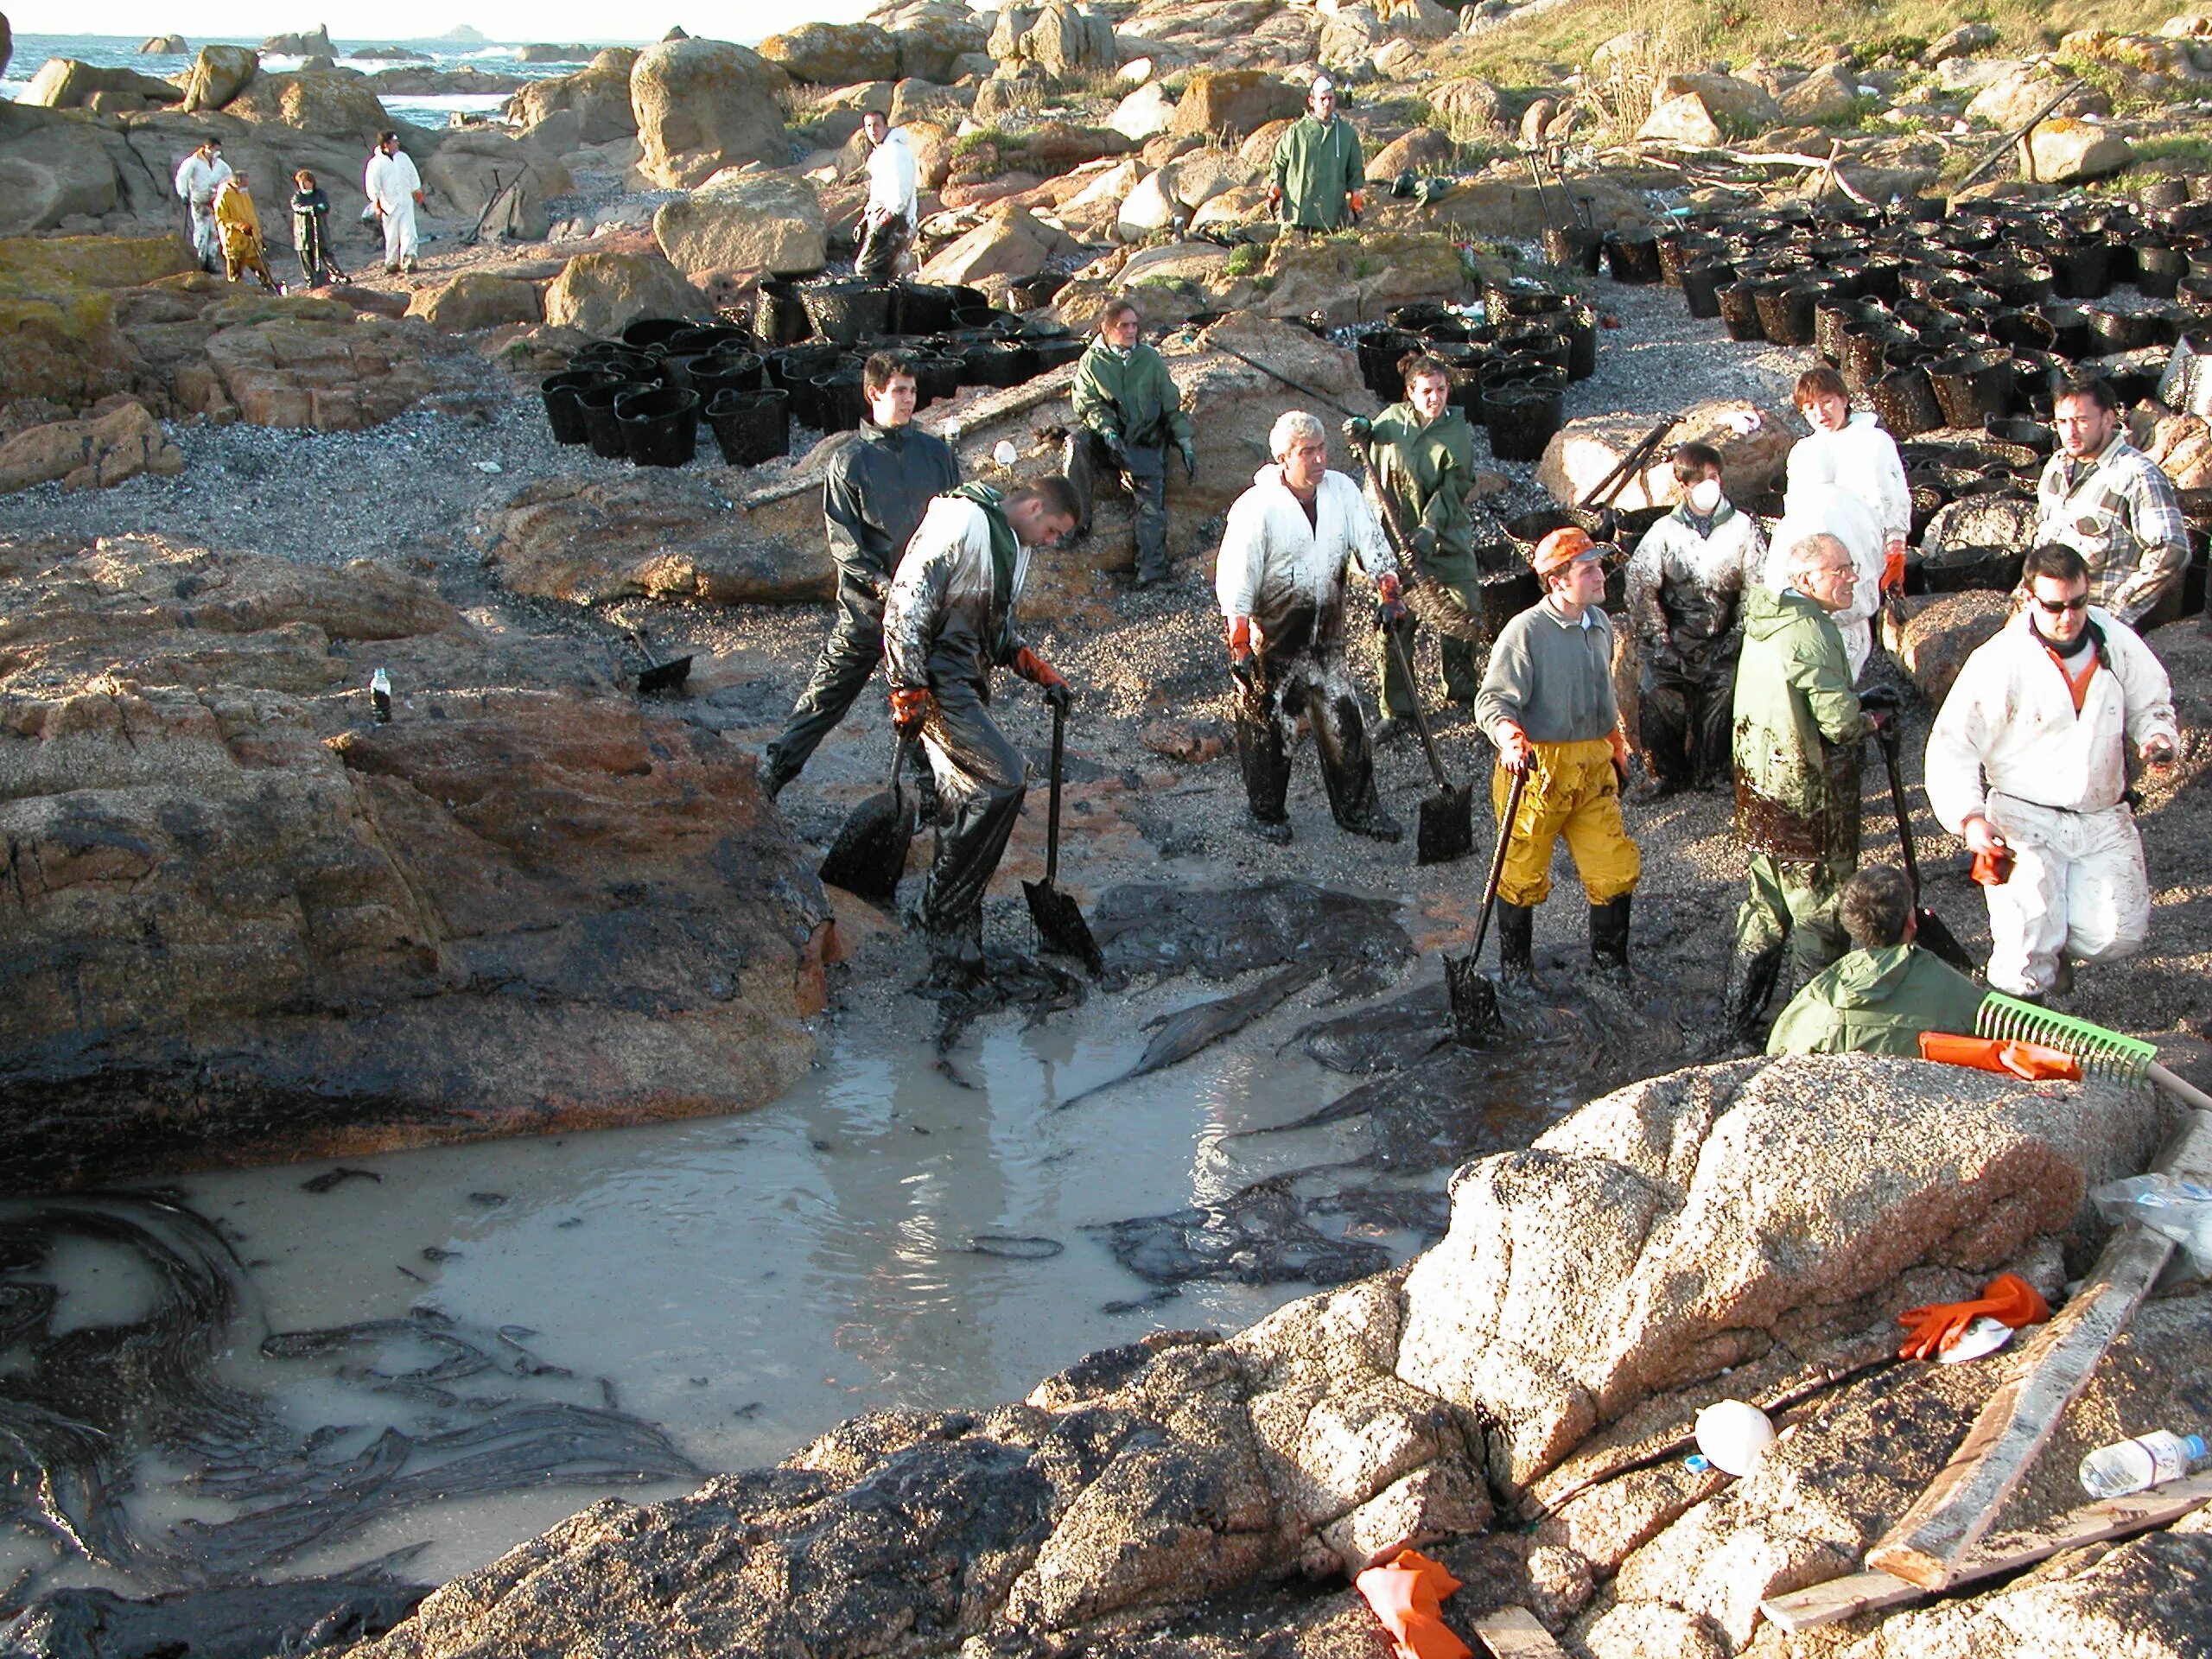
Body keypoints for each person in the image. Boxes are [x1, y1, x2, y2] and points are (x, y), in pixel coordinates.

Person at [1926, 543, 2178, 1000]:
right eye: (2055, 606)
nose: (2068, 616)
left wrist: (2156, 736)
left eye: (2078, 603)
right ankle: (2022, 1025)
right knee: (2025, 941)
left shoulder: (2115, 641)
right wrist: (1969, 816)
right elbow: (1954, 741)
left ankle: (2054, 947)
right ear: (2029, 598)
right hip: (2025, 814)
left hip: (2101, 812)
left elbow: (2151, 701)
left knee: (2118, 933)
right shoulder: (2003, 659)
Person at [883, 476, 1083, 979]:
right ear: (1036, 506)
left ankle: (953, 918)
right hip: (936, 681)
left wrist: (1034, 667)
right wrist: (906, 687)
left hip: (965, 680)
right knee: (1004, 780)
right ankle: (939, 911)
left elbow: (993, 627)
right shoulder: (963, 519)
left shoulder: (1012, 547)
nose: (1053, 542)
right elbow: (906, 603)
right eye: (1054, 530)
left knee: (960, 795)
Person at [762, 353, 961, 798]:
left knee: (926, 699)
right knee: (828, 692)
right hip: (867, 609)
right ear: (874, 394)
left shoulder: (936, 454)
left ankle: (934, 793)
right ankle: (774, 770)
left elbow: (956, 521)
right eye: (899, 391)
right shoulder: (849, 462)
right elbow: (845, 543)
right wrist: (883, 586)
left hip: (924, 609)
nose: (909, 400)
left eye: (912, 390)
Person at [1722, 531, 1887, 1045]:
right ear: (1806, 579)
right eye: (1840, 570)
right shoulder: (1812, 632)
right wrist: (1870, 721)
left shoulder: (1767, 621)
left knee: (1765, 903)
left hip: (1759, 789)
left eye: (1852, 567)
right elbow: (1837, 722)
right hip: (1806, 796)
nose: (1852, 578)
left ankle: (1736, 1014)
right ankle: (1807, 1032)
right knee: (1820, 913)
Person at [1216, 410, 1406, 847]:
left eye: (1322, 449)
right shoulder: (1256, 508)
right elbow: (1236, 578)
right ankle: (1265, 812)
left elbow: (1372, 544)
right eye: (1308, 452)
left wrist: (1388, 593)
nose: (1319, 459)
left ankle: (1357, 810)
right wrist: (1240, 643)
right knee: (1269, 727)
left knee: (1346, 726)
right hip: (1274, 642)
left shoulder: (1342, 492)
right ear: (1283, 457)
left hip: (1327, 641)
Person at [1473, 525, 1640, 978]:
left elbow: (1604, 695)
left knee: (1612, 866)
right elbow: (1492, 700)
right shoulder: (1525, 633)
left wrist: (1615, 744)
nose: (1601, 576)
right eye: (1589, 570)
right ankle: (1516, 971)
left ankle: (1611, 965)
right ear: (1558, 581)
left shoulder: (1599, 623)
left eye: (1599, 566)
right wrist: (1508, 734)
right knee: (1521, 871)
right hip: (1537, 769)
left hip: (1591, 766)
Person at [1344, 353, 1484, 738]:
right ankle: (1398, 708)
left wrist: (1428, 530)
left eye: (1440, 390)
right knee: (1395, 624)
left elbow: (1455, 488)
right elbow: (1365, 451)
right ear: (1410, 393)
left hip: (1447, 540)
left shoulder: (1457, 432)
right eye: (1426, 391)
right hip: (1396, 544)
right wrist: (1359, 432)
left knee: (1463, 613)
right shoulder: (1389, 423)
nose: (1434, 398)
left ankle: (1462, 689)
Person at [1624, 442, 1764, 796]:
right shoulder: (1662, 533)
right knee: (1655, 689)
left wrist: (1735, 638)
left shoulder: (1745, 530)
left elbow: (1757, 588)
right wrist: (1661, 643)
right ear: (1683, 485)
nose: (1709, 485)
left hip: (1722, 639)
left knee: (1726, 688)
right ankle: (1666, 773)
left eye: (1714, 477)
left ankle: (1714, 771)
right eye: (1700, 479)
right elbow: (1641, 587)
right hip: (1674, 640)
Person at [1764, 865, 1988, 1057]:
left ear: (1850, 926)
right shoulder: (1947, 984)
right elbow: (1993, 1028)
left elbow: (1779, 1048)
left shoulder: (1819, 995)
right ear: (1911, 921)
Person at [1777, 366, 1906, 682]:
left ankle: (1847, 691)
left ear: (1844, 400)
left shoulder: (1874, 443)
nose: (1820, 413)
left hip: (1862, 543)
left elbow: (1892, 495)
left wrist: (1896, 541)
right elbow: (1795, 507)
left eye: (1827, 402)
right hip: (1817, 554)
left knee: (1854, 611)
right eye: (1809, 408)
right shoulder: (1803, 452)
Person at [2036, 371, 2190, 628]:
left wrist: (2116, 614)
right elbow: (2042, 539)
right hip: (2049, 614)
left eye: (2081, 420)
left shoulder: (2136, 475)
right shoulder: (2056, 466)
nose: (2070, 431)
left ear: (2108, 418)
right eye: (2062, 422)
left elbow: (2172, 550)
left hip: (2096, 620)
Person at [1065, 300, 1194, 588]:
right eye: (1124, 325)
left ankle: (1152, 571)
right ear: (1107, 329)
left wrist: (1184, 439)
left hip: (1142, 439)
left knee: (1152, 504)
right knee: (1075, 444)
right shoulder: (1092, 362)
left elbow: (1170, 404)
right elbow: (1087, 403)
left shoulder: (1150, 359)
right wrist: (1107, 430)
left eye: (1134, 325)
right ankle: (1075, 521)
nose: (1131, 330)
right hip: (1105, 438)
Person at [1268, 75, 1364, 232]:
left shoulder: (1347, 135)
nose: (1327, 103)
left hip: (1331, 216)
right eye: (1323, 99)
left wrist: (1356, 197)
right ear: (1312, 101)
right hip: (1297, 214)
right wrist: (1275, 186)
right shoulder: (1296, 132)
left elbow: (1355, 171)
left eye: (1331, 98)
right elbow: (1280, 162)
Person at [854, 110, 918, 284]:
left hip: (895, 221)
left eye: (877, 125)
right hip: (884, 218)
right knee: (885, 276)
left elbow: (902, 188)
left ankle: (877, 308)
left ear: (886, 126)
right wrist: (865, 220)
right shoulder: (881, 153)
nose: (873, 130)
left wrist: (889, 215)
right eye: (869, 126)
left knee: (867, 269)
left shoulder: (895, 151)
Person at [364, 130, 424, 276]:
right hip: (388, 205)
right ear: (386, 144)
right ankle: (391, 262)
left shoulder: (403, 158)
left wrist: (417, 191)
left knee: (409, 231)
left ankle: (409, 259)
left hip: (405, 201)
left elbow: (412, 175)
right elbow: (373, 185)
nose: (398, 143)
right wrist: (377, 203)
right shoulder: (376, 163)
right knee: (391, 235)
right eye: (395, 141)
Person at [173, 137, 233, 273]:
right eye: (216, 149)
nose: (217, 152)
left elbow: (229, 176)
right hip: (199, 201)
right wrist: (183, 193)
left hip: (215, 202)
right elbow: (182, 177)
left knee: (215, 233)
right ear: (208, 148)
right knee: (201, 232)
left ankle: (210, 262)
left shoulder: (220, 164)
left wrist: (223, 190)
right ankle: (199, 262)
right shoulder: (193, 162)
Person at [213, 173, 279, 292]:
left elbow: (251, 214)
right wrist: (238, 226)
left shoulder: (244, 193)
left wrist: (257, 233)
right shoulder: (224, 195)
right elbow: (221, 218)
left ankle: (270, 288)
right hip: (235, 240)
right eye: (244, 184)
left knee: (261, 267)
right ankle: (235, 294)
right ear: (236, 183)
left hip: (251, 238)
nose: (246, 187)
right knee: (235, 272)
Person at [289, 169, 342, 287]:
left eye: (305, 182)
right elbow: (297, 207)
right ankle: (311, 279)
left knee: (326, 253)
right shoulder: (297, 196)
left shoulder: (320, 194)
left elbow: (325, 206)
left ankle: (339, 275)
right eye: (300, 183)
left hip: (319, 230)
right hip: (304, 232)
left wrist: (317, 208)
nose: (303, 185)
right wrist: (308, 209)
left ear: (311, 182)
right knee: (306, 256)